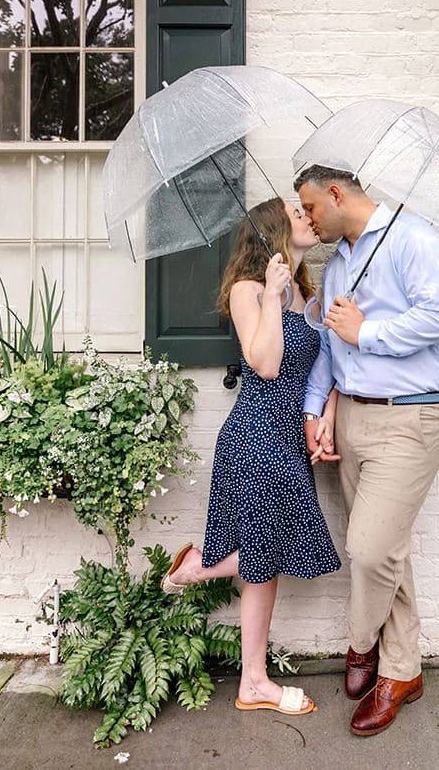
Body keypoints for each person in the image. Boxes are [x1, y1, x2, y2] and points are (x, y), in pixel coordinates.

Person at [295, 165, 439, 736]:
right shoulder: (338, 259)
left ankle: (363, 647)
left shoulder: (413, 240)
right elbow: (326, 343)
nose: (308, 220)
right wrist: (315, 409)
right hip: (355, 418)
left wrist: (366, 333)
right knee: (389, 549)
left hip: (413, 414)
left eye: (311, 208)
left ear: (337, 194)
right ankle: (404, 671)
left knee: (368, 551)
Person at [162, 197, 341, 717]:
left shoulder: (307, 290)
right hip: (256, 434)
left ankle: (250, 676)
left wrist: (324, 415)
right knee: (269, 557)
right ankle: (253, 676)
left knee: (272, 559)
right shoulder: (249, 290)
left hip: (290, 436)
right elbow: (263, 365)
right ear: (271, 231)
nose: (309, 217)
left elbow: (323, 367)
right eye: (297, 212)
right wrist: (271, 296)